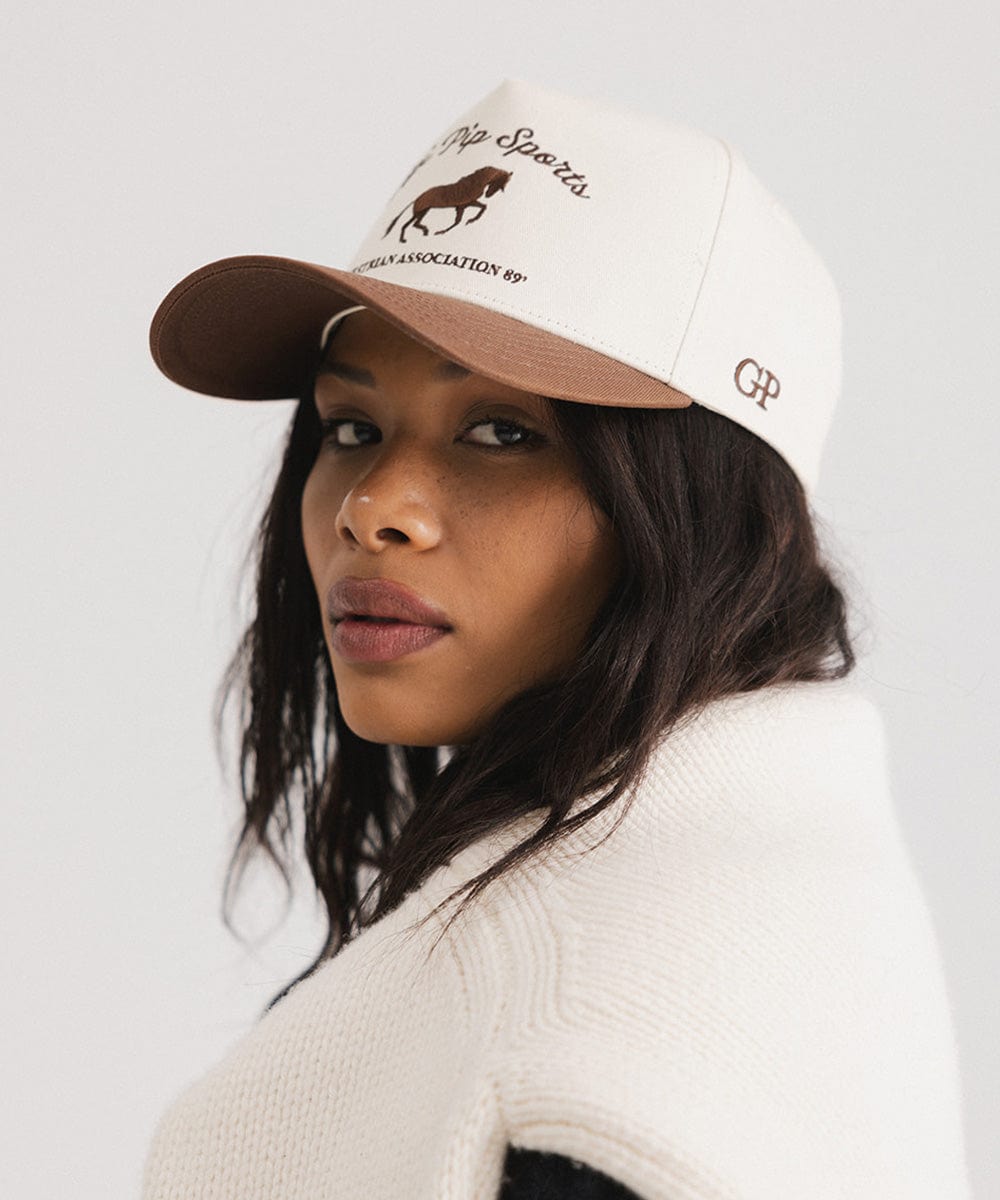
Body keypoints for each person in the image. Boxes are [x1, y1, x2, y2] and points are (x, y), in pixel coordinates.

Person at [140, 79, 972, 1199]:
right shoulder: (783, 891)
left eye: (500, 430)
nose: (372, 505)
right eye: (351, 426)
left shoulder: (583, 1041)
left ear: (705, 509)